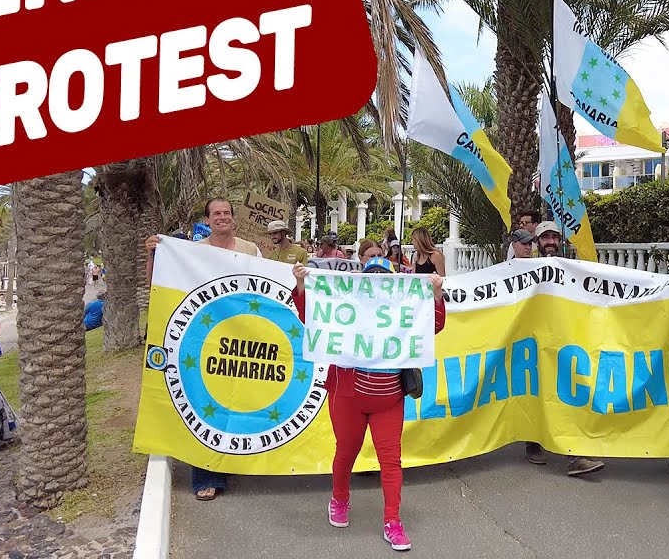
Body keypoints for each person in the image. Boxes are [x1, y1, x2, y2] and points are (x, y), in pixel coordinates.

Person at [291, 257, 446, 552]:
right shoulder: (348, 309)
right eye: (371, 276)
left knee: (391, 460)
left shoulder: (404, 310)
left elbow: (433, 325)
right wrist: (301, 284)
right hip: (348, 397)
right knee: (346, 452)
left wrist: (436, 294)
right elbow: (311, 315)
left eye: (383, 277)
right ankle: (339, 498)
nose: (377, 282)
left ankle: (393, 521)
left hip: (389, 400)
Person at [146, 197, 262, 501]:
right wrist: (154, 256)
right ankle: (206, 475)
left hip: (242, 340)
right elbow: (157, 285)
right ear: (207, 220)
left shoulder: (250, 250)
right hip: (203, 341)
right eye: (216, 213)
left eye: (227, 213)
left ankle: (231, 459)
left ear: (233, 219)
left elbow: (266, 287)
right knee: (204, 403)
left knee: (238, 401)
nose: (222, 217)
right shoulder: (192, 253)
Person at [524, 221, 605, 476]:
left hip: (567, 341)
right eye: (545, 237)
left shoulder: (575, 268)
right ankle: (533, 441)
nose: (550, 241)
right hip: (536, 342)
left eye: (554, 237)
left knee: (571, 392)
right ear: (537, 242)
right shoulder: (525, 268)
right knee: (537, 392)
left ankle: (577, 454)